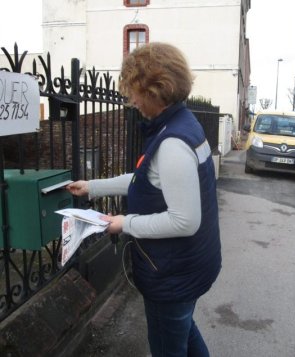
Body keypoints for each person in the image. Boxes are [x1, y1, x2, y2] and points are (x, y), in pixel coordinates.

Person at [66, 42, 221, 357]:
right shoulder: (182, 124)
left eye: (134, 90)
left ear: (155, 89)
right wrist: (93, 186)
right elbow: (146, 180)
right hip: (190, 264)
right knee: (183, 329)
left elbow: (185, 220)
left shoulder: (173, 143)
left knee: (170, 342)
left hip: (173, 273)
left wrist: (124, 223)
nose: (130, 99)